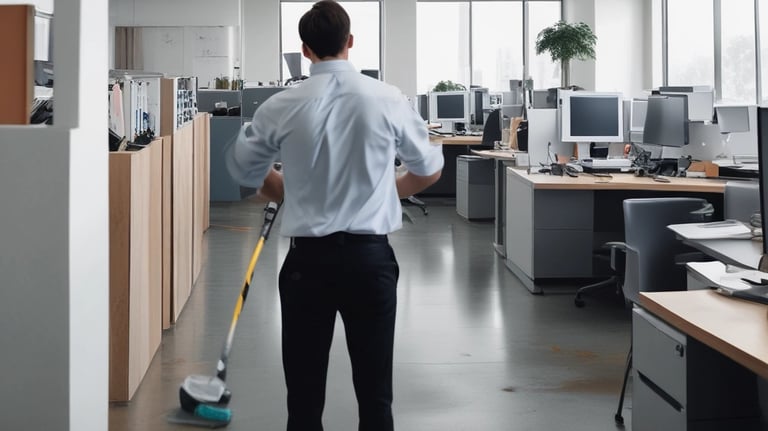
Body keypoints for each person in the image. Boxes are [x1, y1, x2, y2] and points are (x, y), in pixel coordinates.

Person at [225, 1, 443, 430]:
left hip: (308, 266)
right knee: (376, 395)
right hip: (370, 263)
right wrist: (390, 191)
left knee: (304, 399)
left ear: (305, 50)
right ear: (350, 42)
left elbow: (244, 172)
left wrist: (285, 190)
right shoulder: (388, 99)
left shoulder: (282, 104)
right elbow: (429, 169)